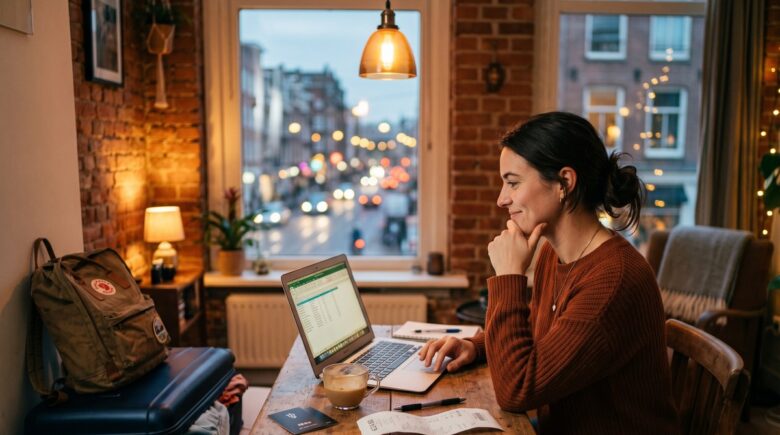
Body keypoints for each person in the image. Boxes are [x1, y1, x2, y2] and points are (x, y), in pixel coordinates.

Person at [419, 112, 679, 434]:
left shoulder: (614, 279)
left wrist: (508, 277)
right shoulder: (553, 255)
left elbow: (517, 391)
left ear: (564, 183)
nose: (502, 199)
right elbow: (543, 335)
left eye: (513, 183)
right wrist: (478, 346)